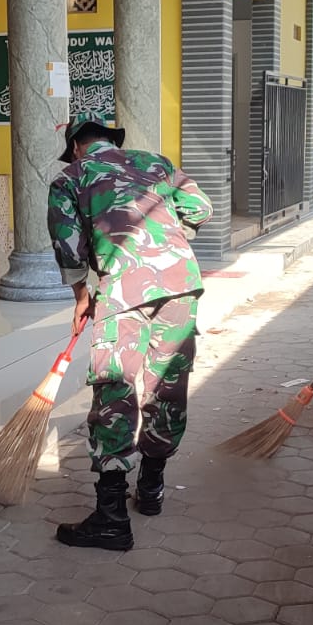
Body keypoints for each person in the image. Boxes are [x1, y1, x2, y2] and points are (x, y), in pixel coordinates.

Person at [48, 113, 213, 551]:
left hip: (122, 291)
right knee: (167, 385)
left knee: (114, 389)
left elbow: (67, 244)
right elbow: (201, 208)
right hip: (181, 283)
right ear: (111, 141)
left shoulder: (71, 177)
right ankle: (153, 487)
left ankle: (111, 517)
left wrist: (82, 294)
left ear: (78, 146)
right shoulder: (156, 163)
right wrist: (167, 243)